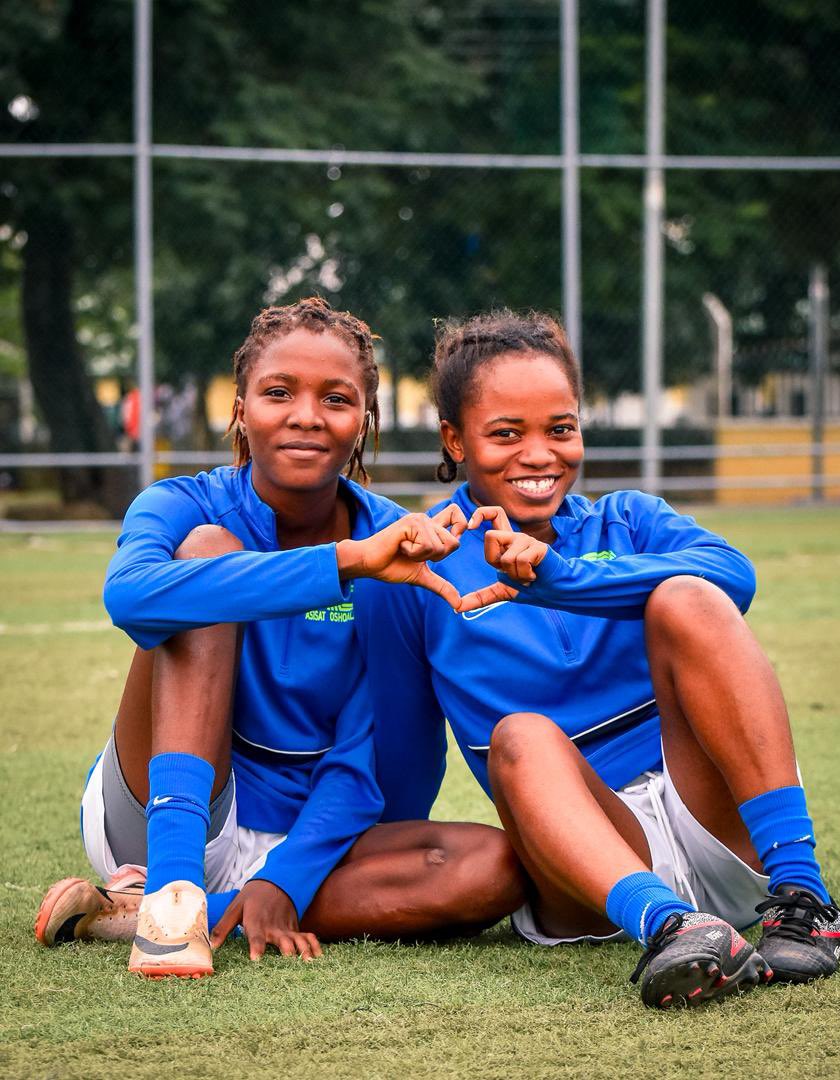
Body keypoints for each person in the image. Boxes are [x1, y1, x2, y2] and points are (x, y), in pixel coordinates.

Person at [355, 309, 840, 1009]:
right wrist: (373, 864)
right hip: (588, 872)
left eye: (561, 429)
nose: (539, 455)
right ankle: (669, 926)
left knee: (688, 595)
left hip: (712, 821)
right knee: (519, 736)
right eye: (506, 434)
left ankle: (802, 895)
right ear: (454, 439)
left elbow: (734, 578)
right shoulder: (417, 571)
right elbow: (405, 753)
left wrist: (564, 579)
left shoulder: (629, 519)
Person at [35, 298, 523, 978]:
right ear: (241, 409)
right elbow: (130, 596)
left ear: (365, 419)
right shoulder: (183, 503)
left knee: (494, 866)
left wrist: (285, 877)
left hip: (331, 842)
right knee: (206, 555)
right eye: (278, 393)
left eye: (336, 399)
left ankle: (171, 911)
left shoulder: (402, 544)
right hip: (168, 813)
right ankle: (170, 900)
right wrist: (345, 564)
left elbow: (367, 752)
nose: (306, 416)